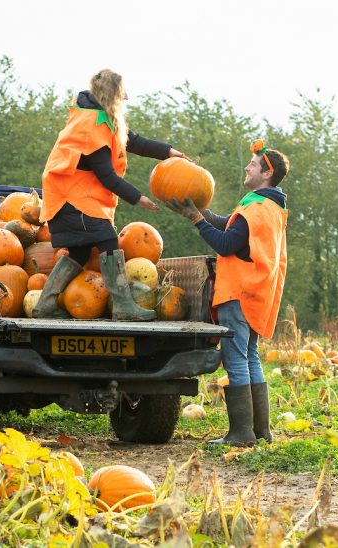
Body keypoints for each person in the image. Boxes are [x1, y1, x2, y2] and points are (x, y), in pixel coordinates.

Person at [34, 69, 187, 321]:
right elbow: (106, 175)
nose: (127, 97)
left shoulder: (102, 120)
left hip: (76, 198)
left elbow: (134, 141)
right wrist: (139, 198)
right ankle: (123, 305)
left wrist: (169, 152)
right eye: (123, 92)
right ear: (113, 95)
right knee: (107, 239)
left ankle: (44, 305)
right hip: (71, 199)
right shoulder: (91, 126)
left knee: (80, 253)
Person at [166, 139, 290, 446]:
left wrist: (196, 220)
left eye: (253, 165)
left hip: (239, 292)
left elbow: (226, 244)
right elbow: (230, 227)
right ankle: (260, 431)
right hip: (258, 293)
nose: (247, 167)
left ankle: (240, 434)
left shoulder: (257, 208)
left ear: (267, 173)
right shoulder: (268, 206)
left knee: (235, 359)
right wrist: (200, 212)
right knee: (250, 357)